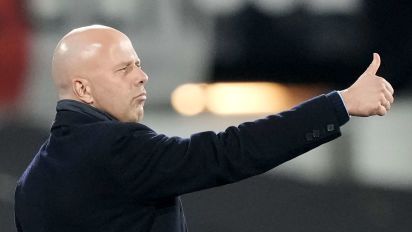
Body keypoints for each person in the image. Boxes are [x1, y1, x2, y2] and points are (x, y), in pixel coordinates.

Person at [14, 25, 394, 232]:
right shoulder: (115, 148)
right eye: (124, 69)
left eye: (138, 64)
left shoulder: (31, 183)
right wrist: (340, 104)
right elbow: (229, 151)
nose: (142, 77)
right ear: (83, 89)